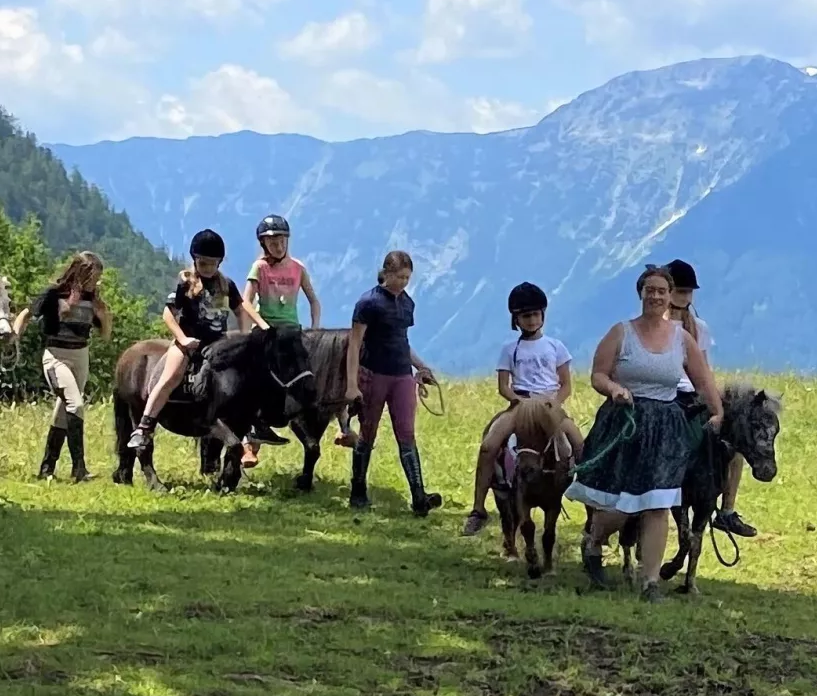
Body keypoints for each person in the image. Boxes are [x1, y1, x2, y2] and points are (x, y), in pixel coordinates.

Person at [568, 264, 722, 602]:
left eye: (661, 291)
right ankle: (595, 538)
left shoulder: (682, 339)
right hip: (626, 421)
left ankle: (650, 582)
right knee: (623, 503)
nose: (655, 295)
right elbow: (597, 374)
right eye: (649, 290)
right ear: (641, 293)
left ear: (669, 297)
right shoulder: (621, 333)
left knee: (659, 502)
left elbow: (702, 379)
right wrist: (614, 389)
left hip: (665, 426)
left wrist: (718, 412)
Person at [127, 229, 274, 452]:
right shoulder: (186, 283)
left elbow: (240, 309)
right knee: (170, 376)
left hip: (219, 343)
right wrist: (182, 339)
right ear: (195, 260)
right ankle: (145, 426)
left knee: (251, 372)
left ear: (220, 262)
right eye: (203, 263)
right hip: (189, 342)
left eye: (212, 264)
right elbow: (169, 314)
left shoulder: (226, 285)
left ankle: (257, 421)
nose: (207, 268)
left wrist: (245, 337)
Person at [461, 281, 584, 536]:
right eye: (525, 316)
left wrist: (555, 404)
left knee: (579, 444)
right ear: (516, 319)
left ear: (543, 315)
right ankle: (478, 508)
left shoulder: (556, 346)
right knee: (489, 445)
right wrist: (517, 400)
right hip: (521, 404)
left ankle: (590, 503)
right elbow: (503, 386)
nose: (531, 320)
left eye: (535, 315)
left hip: (549, 404)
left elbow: (566, 385)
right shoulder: (510, 349)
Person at [345, 250, 444, 515]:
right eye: (399, 276)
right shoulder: (368, 303)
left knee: (407, 434)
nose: (403, 282)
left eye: (407, 278)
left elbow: (402, 342)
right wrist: (351, 384)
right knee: (368, 432)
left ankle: (419, 496)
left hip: (402, 375)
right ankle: (357, 491)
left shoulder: (408, 304)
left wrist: (421, 366)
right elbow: (354, 345)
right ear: (386, 273)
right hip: (374, 374)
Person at [665, 258, 757, 538]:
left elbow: (703, 366)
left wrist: (714, 398)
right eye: (679, 291)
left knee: (734, 441)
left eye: (687, 292)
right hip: (669, 392)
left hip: (695, 392)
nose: (684, 296)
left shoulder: (698, 328)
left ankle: (727, 510)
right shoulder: (659, 326)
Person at [13, 251, 112, 482]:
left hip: (81, 356)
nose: (95, 282)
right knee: (75, 405)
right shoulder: (54, 293)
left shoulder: (93, 301)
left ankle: (47, 468)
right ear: (79, 273)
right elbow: (26, 314)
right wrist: (14, 336)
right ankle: (79, 469)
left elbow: (105, 336)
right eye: (92, 277)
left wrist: (104, 314)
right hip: (56, 356)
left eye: (97, 278)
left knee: (63, 414)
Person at [239, 214, 330, 465]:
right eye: (271, 242)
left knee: (310, 377)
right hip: (267, 331)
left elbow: (313, 299)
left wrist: (314, 328)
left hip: (292, 331)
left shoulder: (298, 268)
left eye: (280, 241)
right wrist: (262, 326)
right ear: (263, 244)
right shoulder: (260, 268)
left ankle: (338, 422)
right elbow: (245, 302)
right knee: (253, 380)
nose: (277, 245)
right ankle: (250, 441)